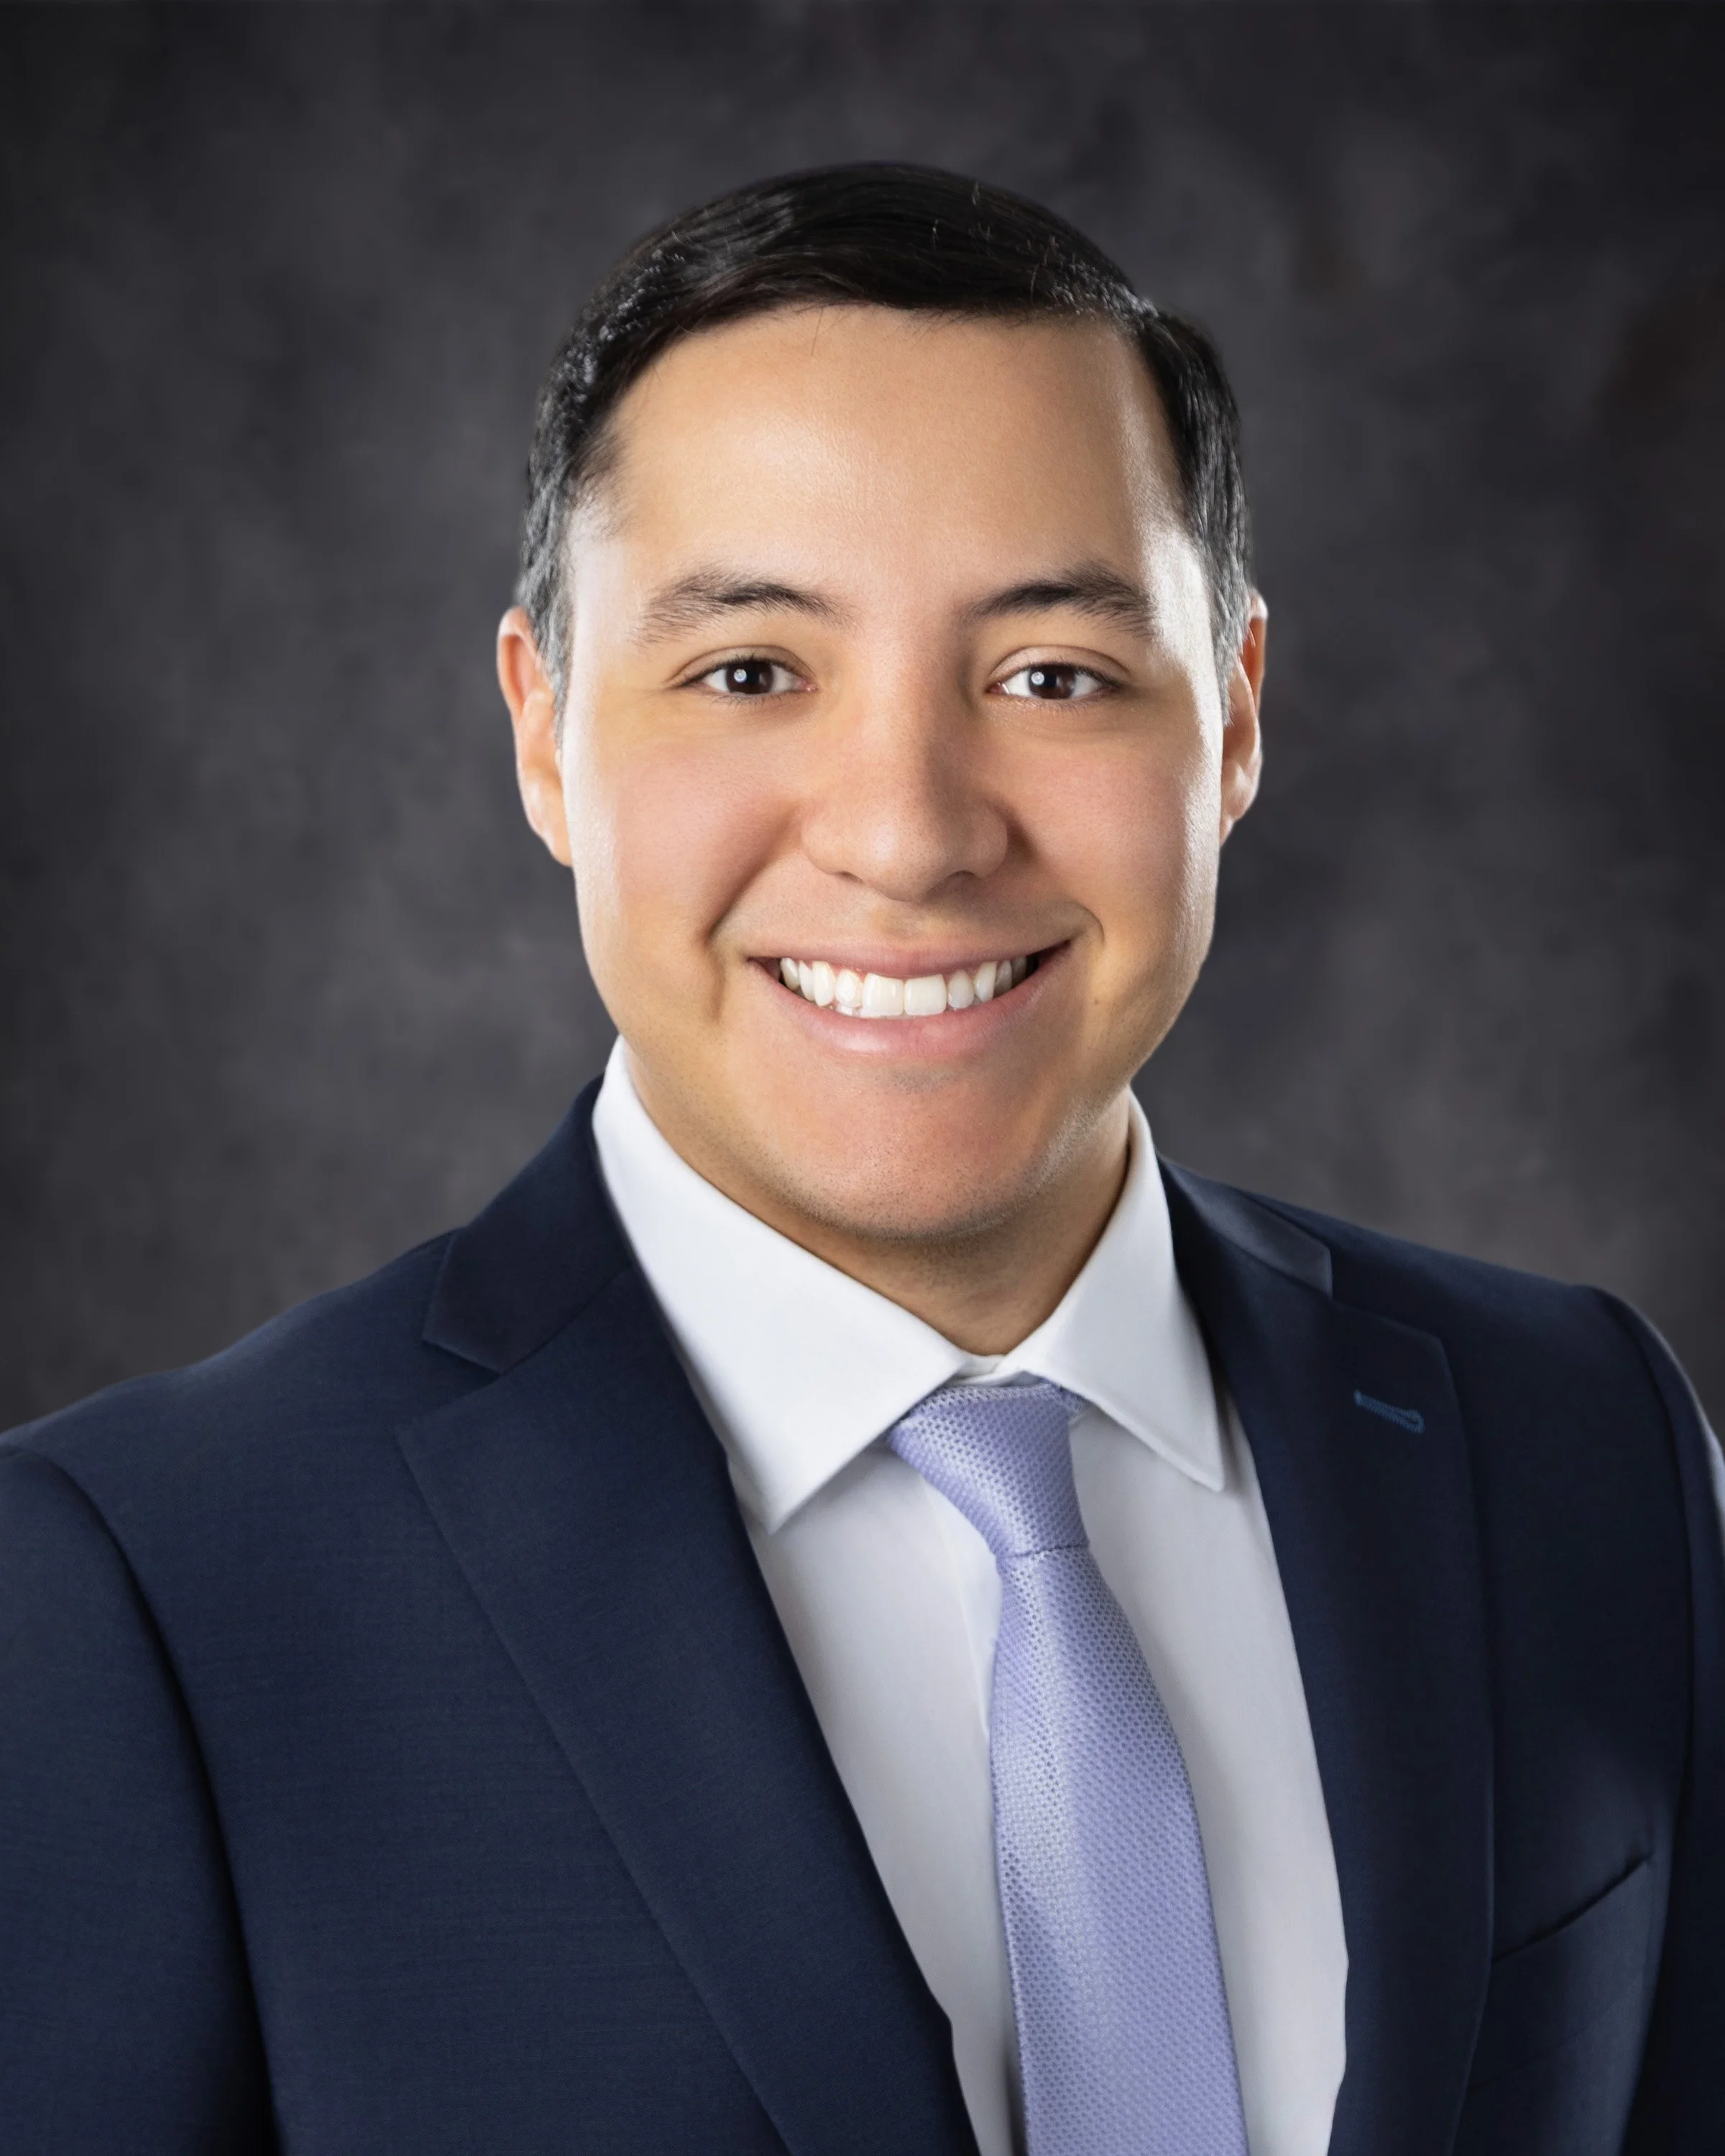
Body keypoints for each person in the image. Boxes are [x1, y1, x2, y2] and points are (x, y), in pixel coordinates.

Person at [0, 165, 1718, 2156]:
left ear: (1233, 720)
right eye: (752, 672)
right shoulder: (136, 1587)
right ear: (547, 734)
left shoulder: (1579, 1437)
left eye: (1052, 675)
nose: (910, 834)